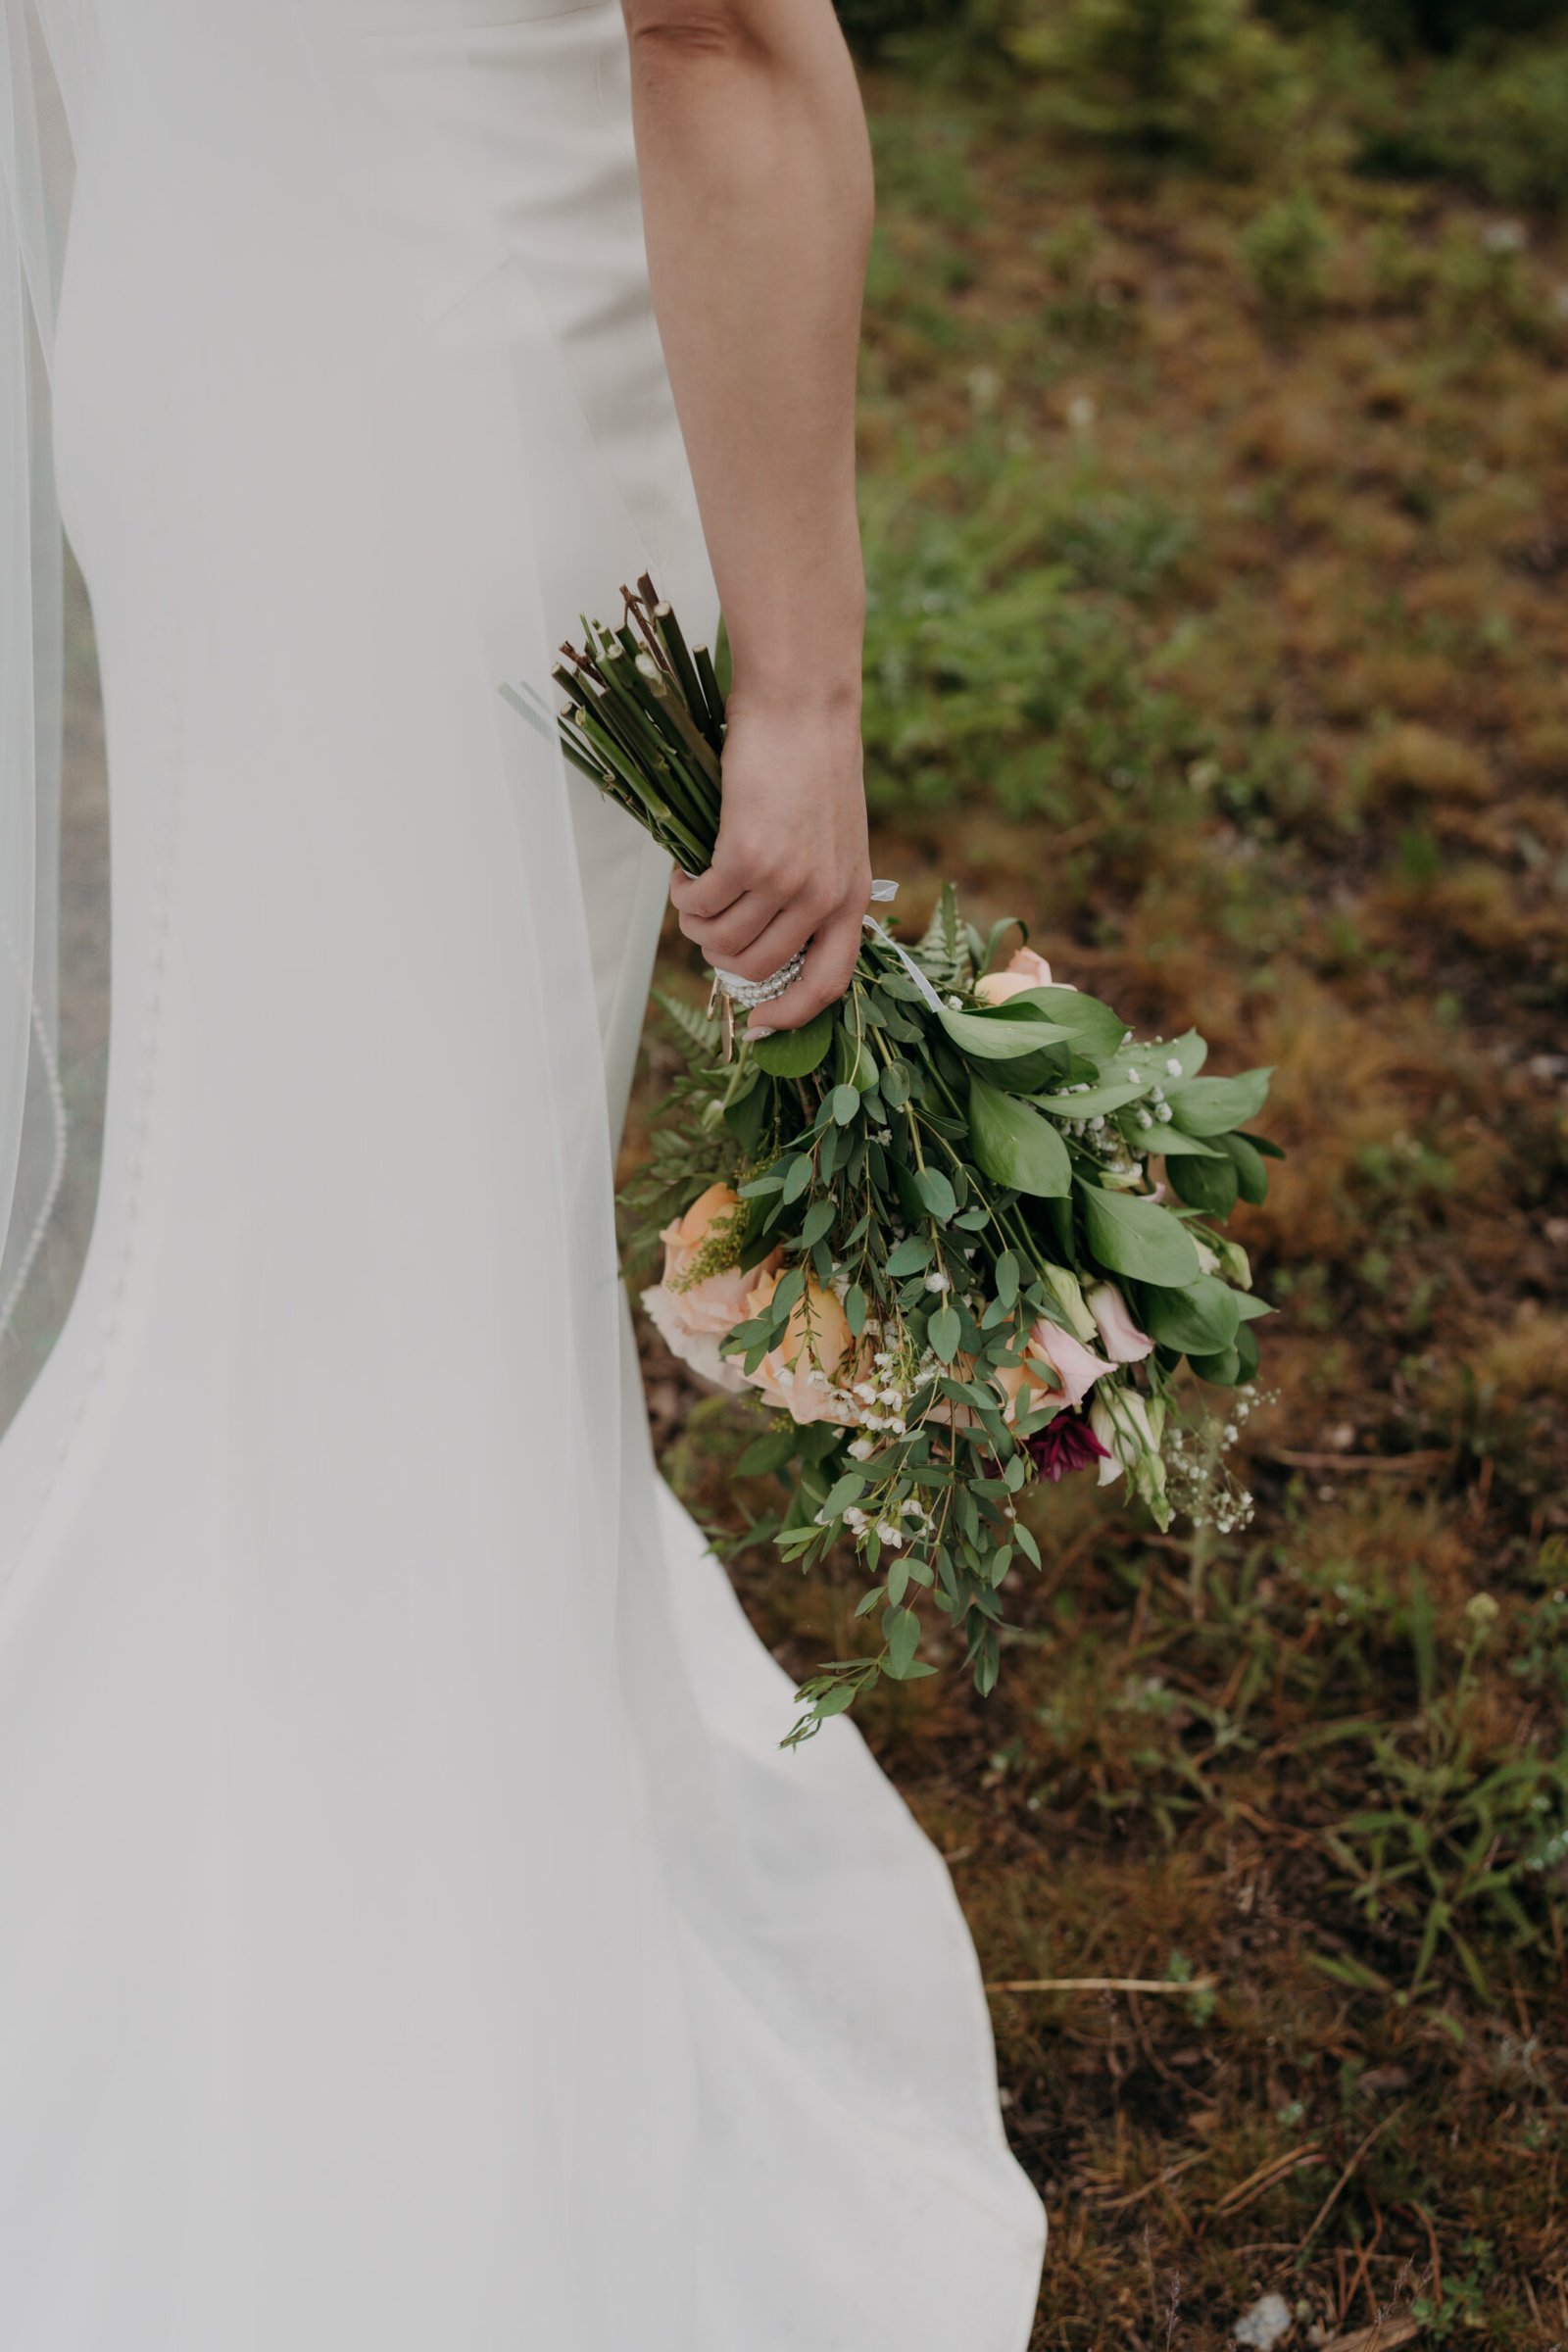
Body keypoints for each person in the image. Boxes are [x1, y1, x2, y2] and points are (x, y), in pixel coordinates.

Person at [0, 2, 1048, 2343]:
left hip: (198, 387)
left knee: (292, 1221)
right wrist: (800, 687)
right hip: (461, 425)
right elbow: (718, 31)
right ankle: (389, 2043)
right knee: (403, 1269)